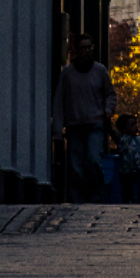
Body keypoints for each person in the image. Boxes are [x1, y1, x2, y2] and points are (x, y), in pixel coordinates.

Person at [50, 36, 114, 200]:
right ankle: (78, 199)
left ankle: (96, 195)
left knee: (93, 160)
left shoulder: (100, 71)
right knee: (75, 166)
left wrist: (108, 110)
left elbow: (110, 94)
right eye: (82, 48)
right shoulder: (68, 73)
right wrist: (58, 131)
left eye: (88, 47)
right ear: (76, 50)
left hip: (95, 124)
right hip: (74, 125)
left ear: (92, 48)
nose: (86, 51)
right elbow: (59, 101)